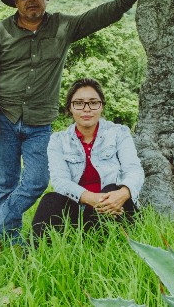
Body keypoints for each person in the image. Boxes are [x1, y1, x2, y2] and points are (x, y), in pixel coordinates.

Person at [0, 0, 150, 248]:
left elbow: (98, 17)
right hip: (2, 117)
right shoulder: (0, 32)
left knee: (36, 181)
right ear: (15, 1)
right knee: (7, 185)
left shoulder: (62, 27)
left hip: (39, 121)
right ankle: (8, 244)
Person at [31, 78, 144, 242]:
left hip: (115, 205)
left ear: (101, 106)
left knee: (111, 188)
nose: (86, 109)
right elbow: (60, 181)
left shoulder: (119, 133)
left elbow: (134, 170)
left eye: (93, 103)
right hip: (79, 208)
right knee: (51, 200)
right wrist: (92, 198)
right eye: (79, 103)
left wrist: (123, 193)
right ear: (70, 107)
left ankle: (103, 246)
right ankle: (31, 257)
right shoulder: (58, 140)